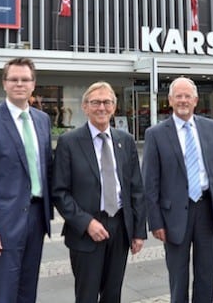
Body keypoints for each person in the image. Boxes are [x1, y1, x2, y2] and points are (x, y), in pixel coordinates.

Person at [0, 58, 53, 303]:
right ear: (4, 83)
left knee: (28, 290)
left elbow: (46, 169)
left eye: (25, 79)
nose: (19, 84)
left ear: (33, 84)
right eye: (13, 79)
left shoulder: (42, 120)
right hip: (2, 223)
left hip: (36, 218)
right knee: (3, 293)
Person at [52, 81, 147, 303]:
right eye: (95, 102)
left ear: (114, 107)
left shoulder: (125, 140)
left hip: (120, 228)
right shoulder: (69, 142)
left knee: (113, 295)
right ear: (85, 107)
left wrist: (138, 231)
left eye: (106, 102)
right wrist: (87, 223)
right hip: (86, 231)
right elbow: (59, 191)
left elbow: (136, 189)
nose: (101, 107)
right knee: (86, 296)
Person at [142, 77, 213, 303]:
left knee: (206, 274)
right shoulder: (155, 134)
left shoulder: (210, 127)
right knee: (178, 276)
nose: (183, 100)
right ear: (170, 101)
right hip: (173, 215)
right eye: (178, 96)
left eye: (187, 96)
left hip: (206, 210)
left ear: (195, 100)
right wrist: (155, 221)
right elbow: (149, 183)